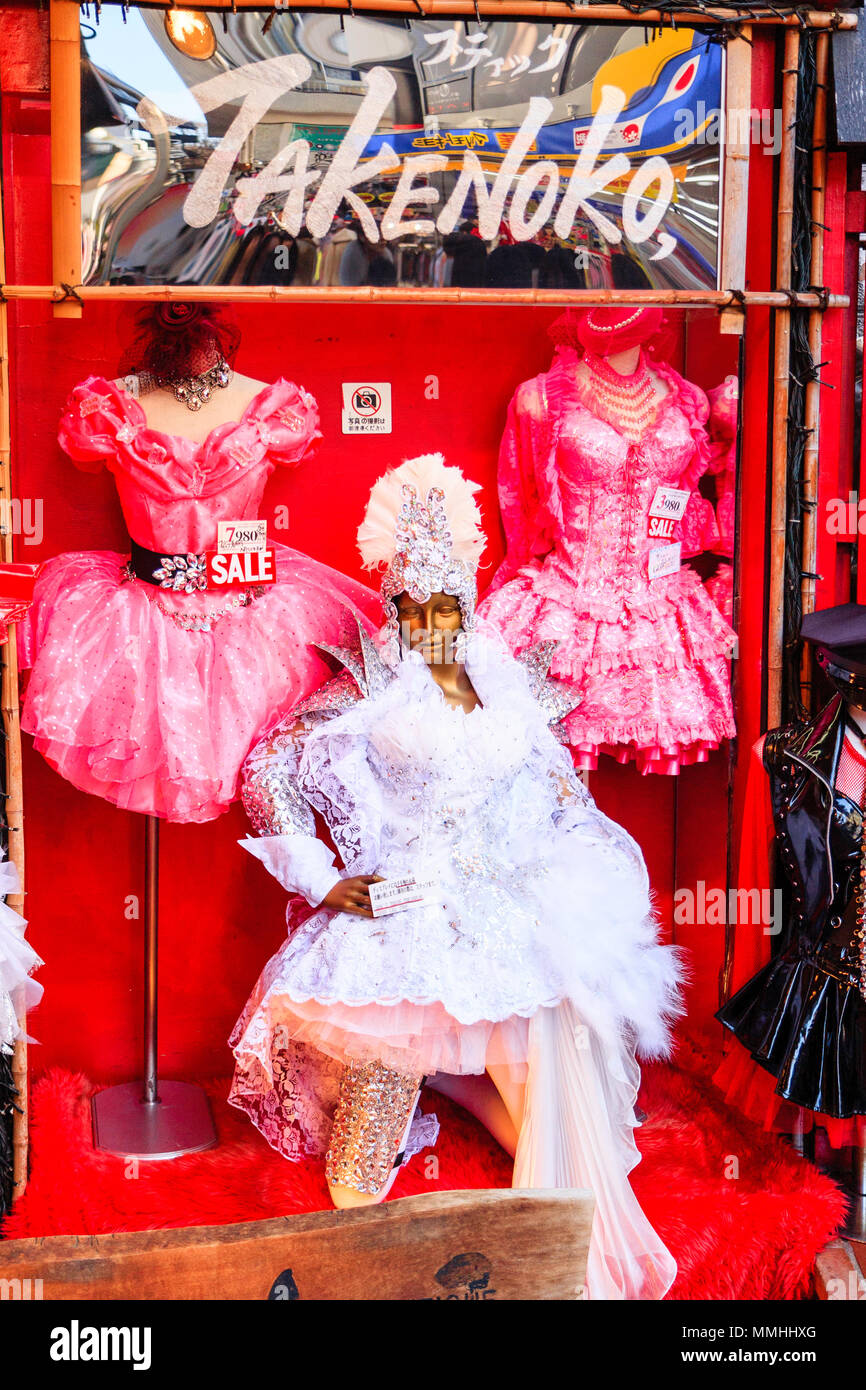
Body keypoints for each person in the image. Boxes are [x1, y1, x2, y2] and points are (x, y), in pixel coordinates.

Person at [229, 452, 683, 1299]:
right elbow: (271, 771)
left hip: (503, 917)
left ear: (468, 602)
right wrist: (322, 876)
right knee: (357, 1184)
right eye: (416, 606)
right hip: (402, 922)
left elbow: (559, 794)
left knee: (563, 1156)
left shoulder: (509, 686)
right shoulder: (371, 684)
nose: (435, 622)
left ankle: (458, 1081)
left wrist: (587, 879)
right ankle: (416, 1085)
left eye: (449, 604)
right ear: (395, 607)